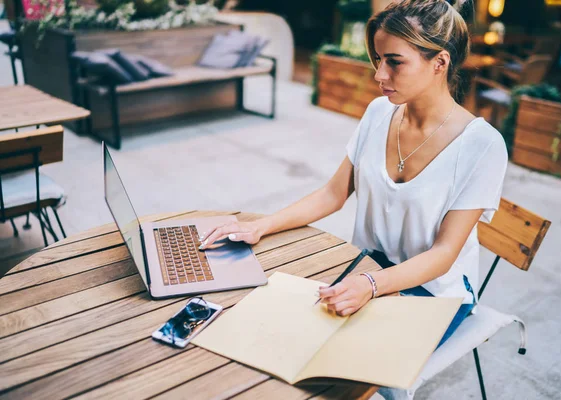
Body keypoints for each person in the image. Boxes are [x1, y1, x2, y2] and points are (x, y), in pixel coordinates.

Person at [200, 0, 507, 395]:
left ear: (440, 62)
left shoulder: (482, 145)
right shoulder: (380, 112)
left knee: (336, 374)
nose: (380, 74)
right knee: (268, 331)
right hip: (366, 268)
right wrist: (261, 225)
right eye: (378, 59)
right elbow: (333, 193)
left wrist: (371, 284)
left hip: (433, 293)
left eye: (395, 62)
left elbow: (444, 253)